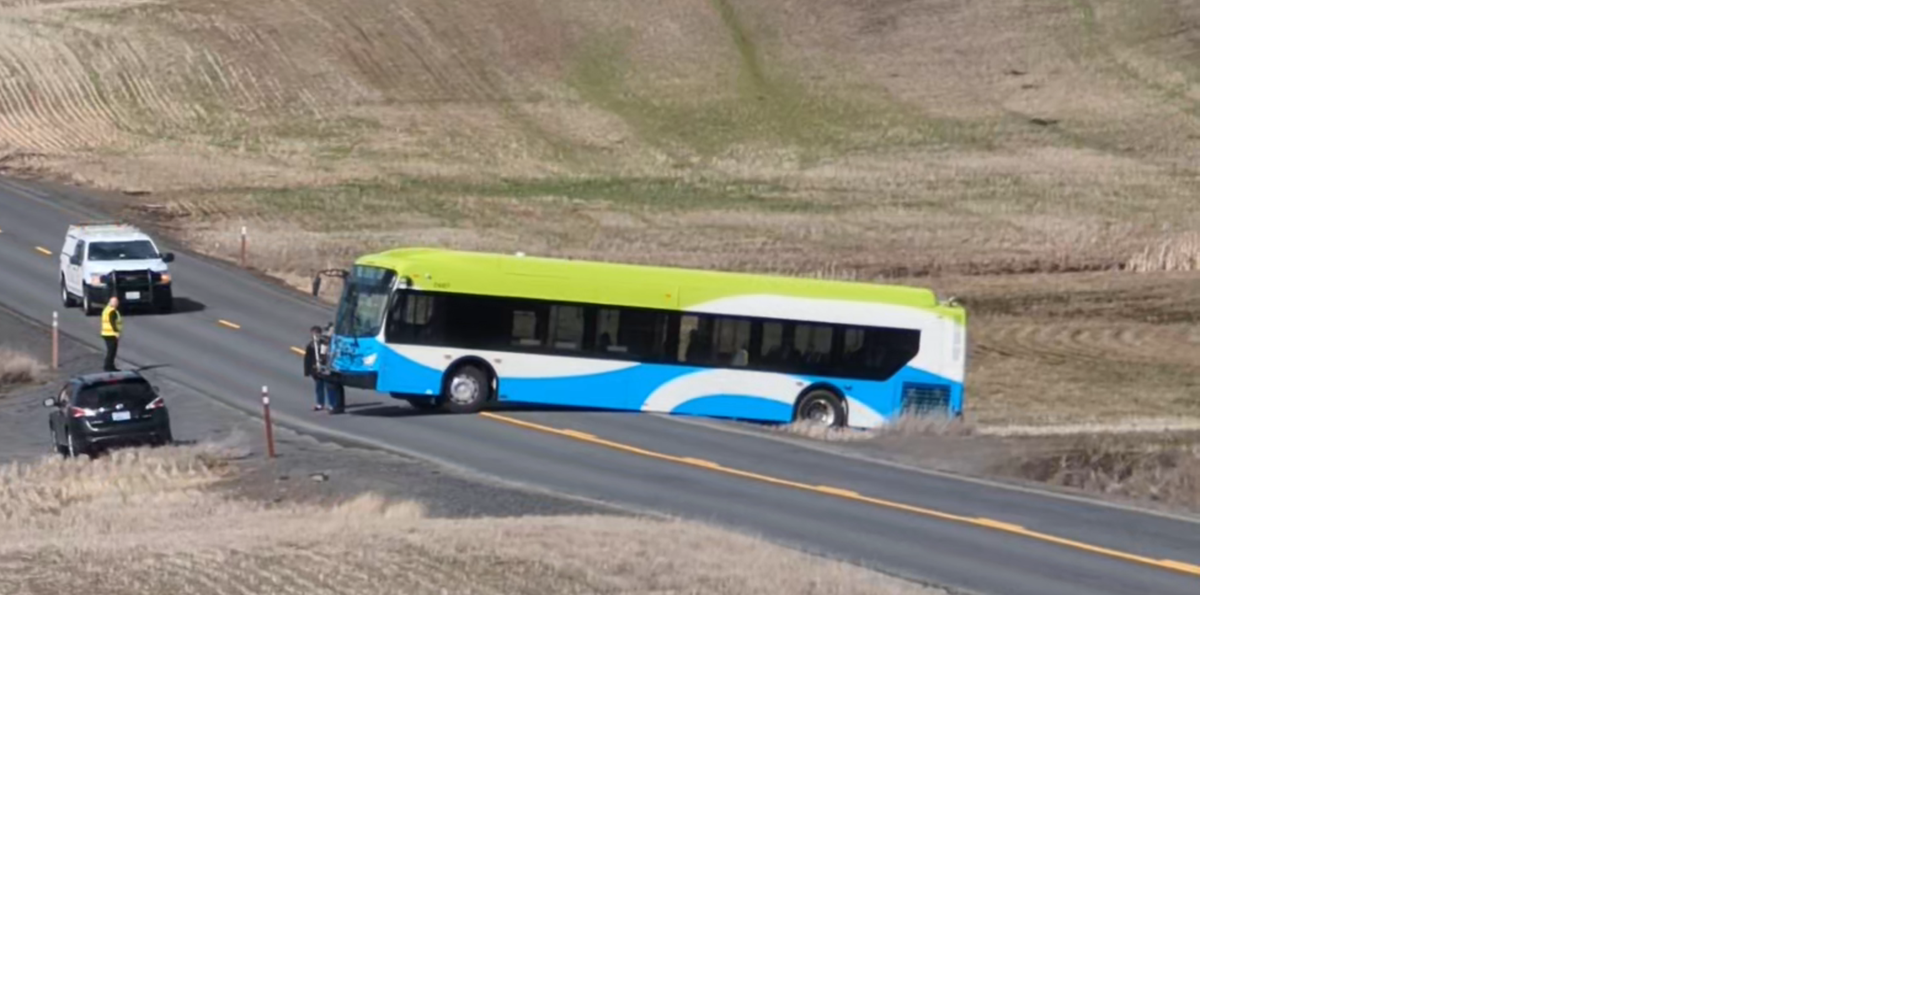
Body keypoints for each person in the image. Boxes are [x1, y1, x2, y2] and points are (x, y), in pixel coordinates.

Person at [304, 325, 344, 413]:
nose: (315, 336)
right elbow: (308, 359)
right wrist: (308, 371)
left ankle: (332, 404)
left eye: (316, 334)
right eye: (313, 334)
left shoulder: (325, 344)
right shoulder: (310, 346)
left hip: (324, 369)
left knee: (329, 387)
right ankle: (320, 403)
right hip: (316, 370)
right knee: (319, 387)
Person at [100, 296, 123, 371]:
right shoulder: (112, 311)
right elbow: (112, 323)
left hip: (106, 333)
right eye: (116, 302)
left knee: (111, 351)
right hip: (111, 334)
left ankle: (110, 366)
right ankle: (108, 366)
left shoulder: (106, 309)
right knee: (111, 351)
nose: (117, 304)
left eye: (117, 302)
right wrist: (116, 332)